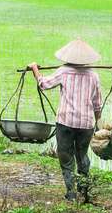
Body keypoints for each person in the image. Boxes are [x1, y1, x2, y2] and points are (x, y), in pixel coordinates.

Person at [28, 38, 103, 203]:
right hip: (86, 124)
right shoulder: (94, 76)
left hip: (66, 122)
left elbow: (44, 84)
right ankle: (84, 192)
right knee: (82, 155)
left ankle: (71, 193)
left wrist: (35, 69)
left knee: (66, 157)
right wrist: (97, 124)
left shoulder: (63, 71)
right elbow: (97, 104)